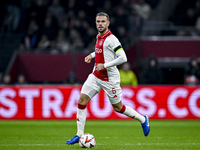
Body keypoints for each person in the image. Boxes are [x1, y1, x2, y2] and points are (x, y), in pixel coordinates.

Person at [66, 12, 150, 145]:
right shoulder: (98, 36)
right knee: (82, 100)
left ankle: (143, 119)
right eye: (98, 21)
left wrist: (104, 65)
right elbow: (103, 51)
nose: (100, 24)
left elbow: (123, 58)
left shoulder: (112, 39)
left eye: (103, 22)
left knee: (118, 107)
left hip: (110, 79)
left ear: (108, 23)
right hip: (96, 76)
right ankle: (79, 134)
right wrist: (92, 55)